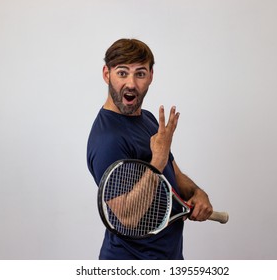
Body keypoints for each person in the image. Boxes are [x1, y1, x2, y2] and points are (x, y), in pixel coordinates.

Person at [87, 38, 213, 260]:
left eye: (140, 74)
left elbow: (174, 175)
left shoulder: (147, 119)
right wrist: (158, 161)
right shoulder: (108, 139)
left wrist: (196, 193)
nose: (132, 84)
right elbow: (127, 217)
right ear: (107, 74)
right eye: (122, 73)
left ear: (151, 76)